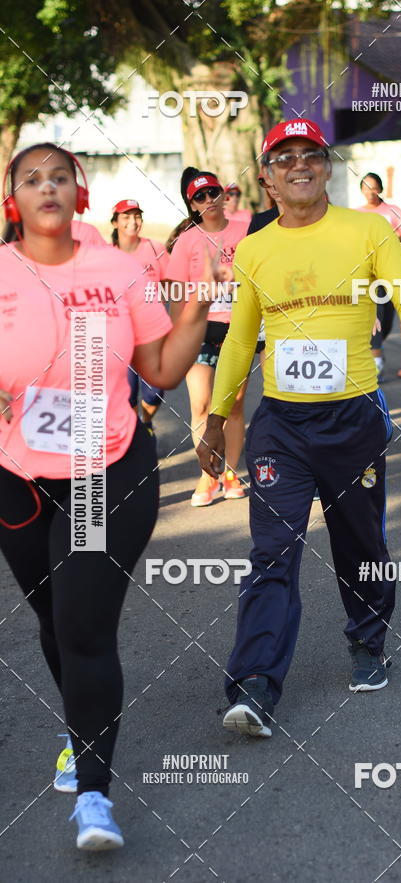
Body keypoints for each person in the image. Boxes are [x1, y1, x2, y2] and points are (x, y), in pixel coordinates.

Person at [0, 143, 211, 849]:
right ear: (13, 200)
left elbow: (162, 369)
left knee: (83, 626)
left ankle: (94, 795)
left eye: (60, 176)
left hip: (102, 469)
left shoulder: (119, 272)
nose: (47, 187)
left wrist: (199, 307)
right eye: (31, 178)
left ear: (79, 193)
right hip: (17, 477)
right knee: (53, 619)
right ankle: (79, 726)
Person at [198, 119, 401, 738]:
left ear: (327, 168)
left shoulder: (367, 230)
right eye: (285, 158)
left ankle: (367, 640)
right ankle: (255, 683)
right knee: (271, 552)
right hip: (281, 423)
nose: (299, 164)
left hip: (353, 416)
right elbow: (240, 339)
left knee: (360, 541)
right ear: (268, 178)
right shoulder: (254, 249)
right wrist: (217, 417)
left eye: (311, 154)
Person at [166, 168, 249, 507]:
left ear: (223, 194)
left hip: (237, 328)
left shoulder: (245, 230)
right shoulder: (187, 240)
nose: (208, 200)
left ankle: (231, 472)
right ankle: (208, 475)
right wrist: (176, 336)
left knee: (233, 405)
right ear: (192, 204)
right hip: (199, 329)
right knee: (200, 404)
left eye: (213, 192)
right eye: (199, 197)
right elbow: (175, 292)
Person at [111, 198, 169, 434]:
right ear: (115, 222)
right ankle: (136, 430)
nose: (133, 222)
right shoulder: (106, 255)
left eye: (137, 216)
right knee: (127, 392)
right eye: (126, 217)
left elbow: (172, 285)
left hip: (153, 337)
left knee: (155, 391)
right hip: (120, 338)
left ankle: (145, 422)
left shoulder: (156, 249)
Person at [356, 172, 401, 381]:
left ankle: (376, 345)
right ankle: (376, 359)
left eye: (373, 187)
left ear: (380, 189)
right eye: (365, 187)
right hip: (369, 272)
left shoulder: (392, 211)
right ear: (361, 190)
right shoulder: (356, 215)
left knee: (387, 318)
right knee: (376, 312)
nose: (369, 192)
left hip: (390, 269)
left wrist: (390, 235)